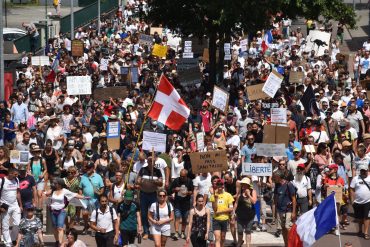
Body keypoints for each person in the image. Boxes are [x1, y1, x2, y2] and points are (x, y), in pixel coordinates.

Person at [46, 178, 87, 247]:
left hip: (61, 211)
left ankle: (60, 243)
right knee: (55, 228)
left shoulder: (64, 191)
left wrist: (83, 197)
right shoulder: (53, 190)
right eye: (54, 183)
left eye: (56, 183)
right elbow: (46, 194)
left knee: (60, 228)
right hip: (53, 211)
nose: (54, 185)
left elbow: (74, 194)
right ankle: (57, 241)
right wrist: (45, 193)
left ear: (60, 184)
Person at [136, 156, 163, 239]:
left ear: (155, 162)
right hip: (143, 194)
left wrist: (155, 181)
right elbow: (138, 181)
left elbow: (161, 183)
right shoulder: (143, 170)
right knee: (144, 214)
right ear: (147, 161)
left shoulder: (158, 171)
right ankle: (146, 231)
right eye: (150, 161)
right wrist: (140, 181)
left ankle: (154, 231)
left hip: (153, 195)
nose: (151, 162)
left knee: (154, 214)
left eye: (153, 161)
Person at [79, 162, 104, 236]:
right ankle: (86, 226)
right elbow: (80, 188)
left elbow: (102, 187)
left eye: (89, 168)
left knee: (94, 215)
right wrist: (81, 196)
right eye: (87, 168)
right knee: (84, 213)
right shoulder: (83, 177)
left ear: (93, 168)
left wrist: (100, 193)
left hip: (95, 199)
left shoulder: (98, 177)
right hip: (85, 199)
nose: (87, 169)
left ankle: (93, 228)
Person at [0, 168, 22, 247]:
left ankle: (12, 238)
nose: (17, 176)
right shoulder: (2, 181)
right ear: (10, 173)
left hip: (15, 205)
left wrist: (20, 205)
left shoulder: (16, 180)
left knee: (18, 223)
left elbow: (18, 193)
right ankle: (8, 243)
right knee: (5, 225)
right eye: (15, 174)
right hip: (4, 206)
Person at [170, 169, 194, 240]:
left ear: (186, 176)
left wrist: (187, 193)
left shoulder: (189, 181)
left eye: (183, 176)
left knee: (184, 218)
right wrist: (175, 190)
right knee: (177, 217)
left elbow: (191, 191)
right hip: (177, 202)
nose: (181, 177)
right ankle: (176, 232)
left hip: (186, 203)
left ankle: (183, 232)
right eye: (180, 176)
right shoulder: (176, 180)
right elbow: (170, 190)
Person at [209, 178, 234, 247]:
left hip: (225, 219)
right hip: (216, 219)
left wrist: (221, 211)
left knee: (223, 238)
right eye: (218, 185)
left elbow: (231, 208)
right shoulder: (213, 196)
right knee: (217, 238)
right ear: (216, 185)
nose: (220, 186)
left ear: (223, 185)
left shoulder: (228, 195)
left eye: (221, 184)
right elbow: (214, 209)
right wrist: (215, 199)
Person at [274, 171, 297, 246]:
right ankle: (286, 244)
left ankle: (291, 244)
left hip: (288, 210)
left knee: (288, 228)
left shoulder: (289, 185)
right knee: (283, 228)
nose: (274, 178)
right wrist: (275, 211)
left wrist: (293, 212)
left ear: (279, 177)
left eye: (275, 177)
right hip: (280, 210)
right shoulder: (277, 185)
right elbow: (276, 198)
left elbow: (294, 199)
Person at [233, 177, 257, 247]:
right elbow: (236, 203)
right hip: (240, 215)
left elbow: (254, 202)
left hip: (250, 215)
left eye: (244, 184)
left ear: (248, 185)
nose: (243, 185)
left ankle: (248, 245)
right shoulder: (240, 192)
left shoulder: (253, 191)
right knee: (240, 230)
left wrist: (249, 194)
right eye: (242, 184)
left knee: (248, 231)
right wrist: (233, 211)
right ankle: (240, 242)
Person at [350, 164, 370, 240]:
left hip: (368, 201)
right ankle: (360, 230)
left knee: (367, 217)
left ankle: (366, 232)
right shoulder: (355, 179)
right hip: (358, 202)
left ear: (367, 170)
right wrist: (352, 200)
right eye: (362, 170)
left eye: (365, 170)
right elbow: (351, 189)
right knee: (360, 218)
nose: (363, 172)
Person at [27, 145, 47, 210]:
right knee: (33, 194)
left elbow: (45, 169)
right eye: (35, 152)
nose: (36, 153)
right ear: (33, 153)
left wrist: (42, 175)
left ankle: (40, 208)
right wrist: (30, 175)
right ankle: (34, 206)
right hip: (33, 180)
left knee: (39, 194)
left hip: (40, 179)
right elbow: (27, 169)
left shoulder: (42, 160)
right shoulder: (30, 160)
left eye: (38, 152)